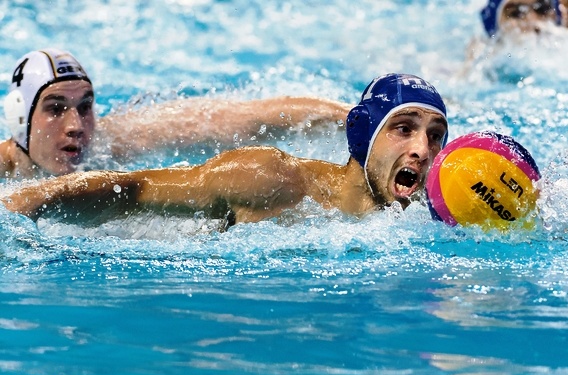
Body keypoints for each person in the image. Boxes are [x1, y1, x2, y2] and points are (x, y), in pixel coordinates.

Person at [1, 73, 449, 228]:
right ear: (362, 137)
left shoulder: (428, 212)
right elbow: (134, 189)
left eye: (434, 136)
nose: (421, 150)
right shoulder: (274, 179)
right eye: (403, 129)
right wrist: (21, 202)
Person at [0, 48, 351, 179]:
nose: (76, 126)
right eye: (56, 108)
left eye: (85, 106)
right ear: (19, 118)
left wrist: (351, 117)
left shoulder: (113, 142)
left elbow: (243, 118)